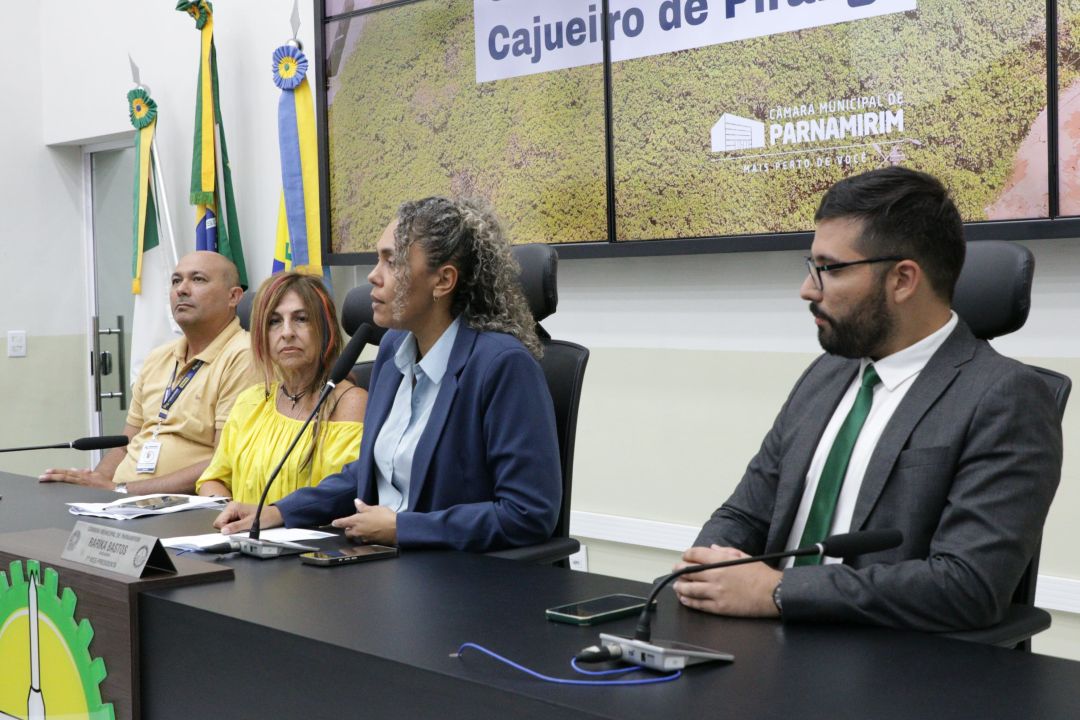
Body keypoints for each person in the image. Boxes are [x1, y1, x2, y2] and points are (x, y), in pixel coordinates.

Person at [674, 167, 1062, 632]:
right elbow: (746, 511)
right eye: (810, 266)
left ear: (902, 280)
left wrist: (777, 593)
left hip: (889, 666)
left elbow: (967, 586)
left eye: (830, 269)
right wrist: (707, 570)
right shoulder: (828, 373)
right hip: (767, 640)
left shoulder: (1005, 397)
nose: (808, 289)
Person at [214, 197, 561, 551]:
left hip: (456, 577)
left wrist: (404, 528)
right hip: (380, 560)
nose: (372, 276)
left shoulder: (501, 365)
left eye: (390, 262)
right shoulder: (394, 348)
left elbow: (527, 513)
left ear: (443, 281)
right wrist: (280, 511)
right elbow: (370, 470)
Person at [40, 251, 258, 494]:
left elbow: (223, 462)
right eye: (176, 281)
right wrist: (96, 483)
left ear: (234, 297)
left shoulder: (244, 355)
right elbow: (126, 445)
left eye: (198, 279)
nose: (181, 290)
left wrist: (121, 489)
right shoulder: (159, 357)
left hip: (183, 508)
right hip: (127, 503)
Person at [195, 272, 366, 504]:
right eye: (274, 322)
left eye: (301, 319)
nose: (287, 332)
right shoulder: (251, 401)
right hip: (244, 536)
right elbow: (213, 480)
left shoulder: (352, 403)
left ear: (326, 331)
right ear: (261, 336)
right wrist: (229, 513)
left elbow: (348, 495)